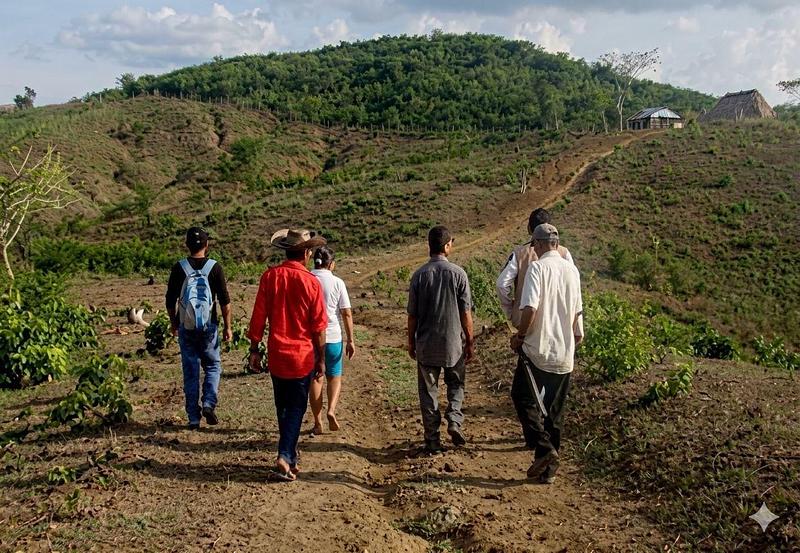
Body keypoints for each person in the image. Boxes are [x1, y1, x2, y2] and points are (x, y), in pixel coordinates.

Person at [248, 229, 327, 481]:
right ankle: (284, 455)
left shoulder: (269, 277)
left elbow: (258, 317)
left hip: (277, 355)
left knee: (283, 407)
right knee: (295, 408)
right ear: (306, 253)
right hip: (302, 356)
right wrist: (321, 358)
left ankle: (290, 457)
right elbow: (318, 327)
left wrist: (253, 349)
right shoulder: (311, 283)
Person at [509, 223, 583, 484]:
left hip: (537, 350)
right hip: (564, 353)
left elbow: (529, 307)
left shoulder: (537, 268)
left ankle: (544, 448)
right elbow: (578, 316)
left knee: (522, 398)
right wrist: (574, 339)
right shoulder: (572, 270)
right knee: (554, 411)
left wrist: (520, 336)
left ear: (538, 244)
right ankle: (548, 472)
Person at [407, 226, 474, 454]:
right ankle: (454, 420)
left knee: (429, 392)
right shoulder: (459, 274)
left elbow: (412, 315)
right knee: (456, 384)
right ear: (447, 246)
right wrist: (470, 340)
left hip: (426, 345)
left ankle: (433, 441)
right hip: (453, 344)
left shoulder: (419, 275)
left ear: (429, 246)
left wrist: (411, 341)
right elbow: (466, 313)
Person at [165, 227, 233, 430]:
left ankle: (193, 418)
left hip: (186, 326)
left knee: (191, 370)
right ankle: (209, 403)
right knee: (213, 365)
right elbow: (225, 302)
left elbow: (170, 300)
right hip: (209, 326)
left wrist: (173, 322)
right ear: (207, 244)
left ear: (187, 245)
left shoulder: (179, 267)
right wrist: (227, 327)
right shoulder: (215, 267)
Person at [496, 208, 574, 328]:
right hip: (556, 322)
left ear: (529, 229)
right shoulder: (564, 253)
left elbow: (502, 284)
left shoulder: (519, 253)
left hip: (525, 323)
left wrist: (511, 311)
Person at [309, 246, 355, 435]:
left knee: (316, 379)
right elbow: (346, 312)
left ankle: (318, 422)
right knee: (334, 376)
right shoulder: (337, 282)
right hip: (334, 337)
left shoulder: (308, 278)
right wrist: (351, 339)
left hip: (311, 339)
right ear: (332, 264)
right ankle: (331, 410)